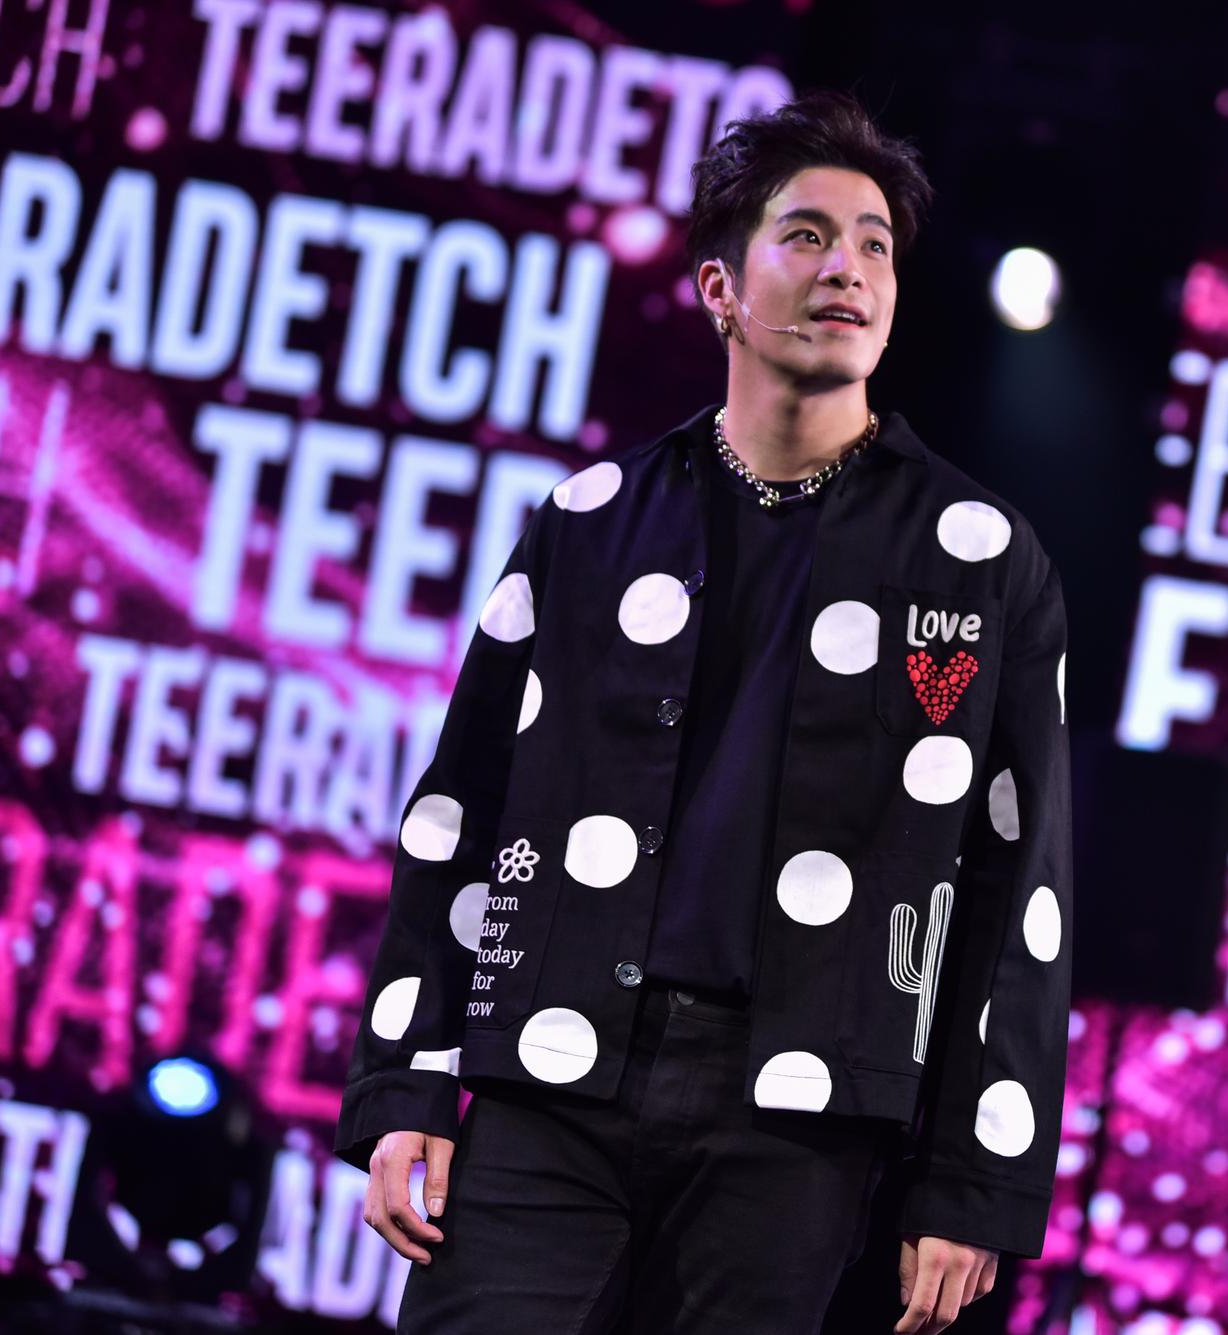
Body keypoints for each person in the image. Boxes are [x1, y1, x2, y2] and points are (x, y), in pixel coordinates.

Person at [334, 88, 1073, 1335]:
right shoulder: (589, 523)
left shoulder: (981, 559)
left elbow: (1019, 892)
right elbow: (457, 812)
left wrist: (972, 1180)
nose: (846, 268)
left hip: (798, 1118)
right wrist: (407, 1077)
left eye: (875, 245)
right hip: (554, 1072)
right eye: (807, 235)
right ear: (719, 288)